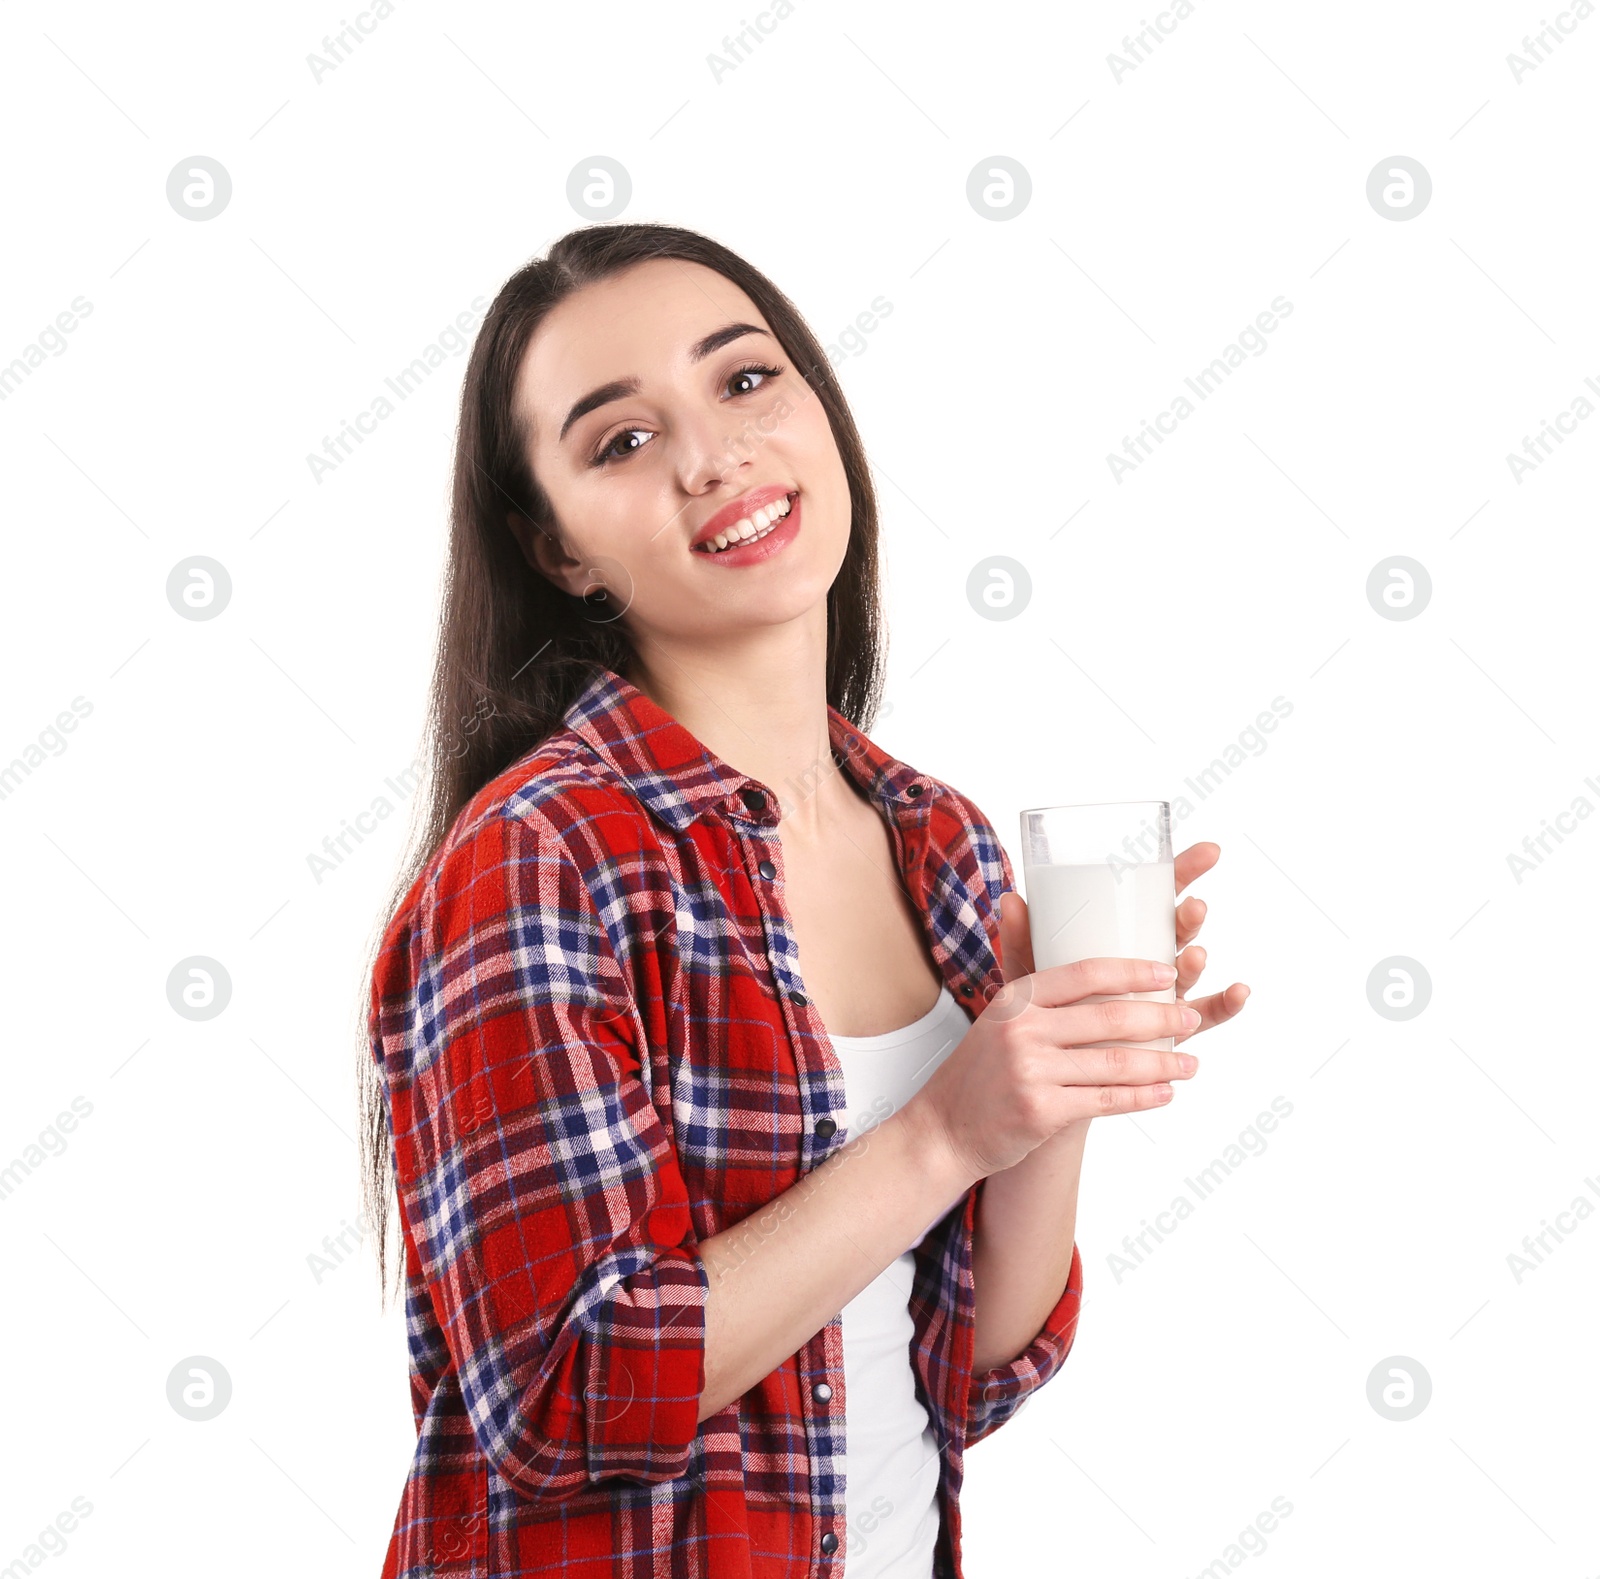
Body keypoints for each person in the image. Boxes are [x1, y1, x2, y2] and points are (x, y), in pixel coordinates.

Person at [357, 222, 1247, 1578]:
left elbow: (971, 1375)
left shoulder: (935, 836)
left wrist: (1048, 1093)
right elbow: (566, 1395)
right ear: (561, 553)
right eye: (620, 442)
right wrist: (947, 1130)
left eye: (746, 381)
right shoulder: (541, 857)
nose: (714, 456)